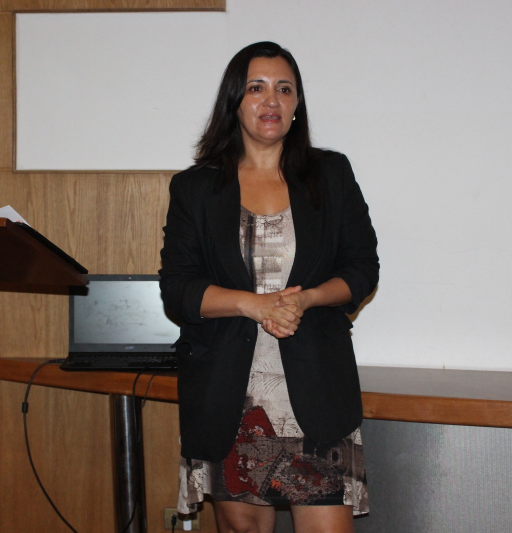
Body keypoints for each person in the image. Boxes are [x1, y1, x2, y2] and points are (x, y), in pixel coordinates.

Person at [159, 41, 379, 533]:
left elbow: (363, 268)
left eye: (284, 88)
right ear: (234, 101)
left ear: (297, 103)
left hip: (316, 391)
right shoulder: (195, 188)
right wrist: (254, 305)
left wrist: (308, 298)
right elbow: (178, 289)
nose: (271, 100)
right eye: (256, 88)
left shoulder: (331, 175)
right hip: (229, 395)